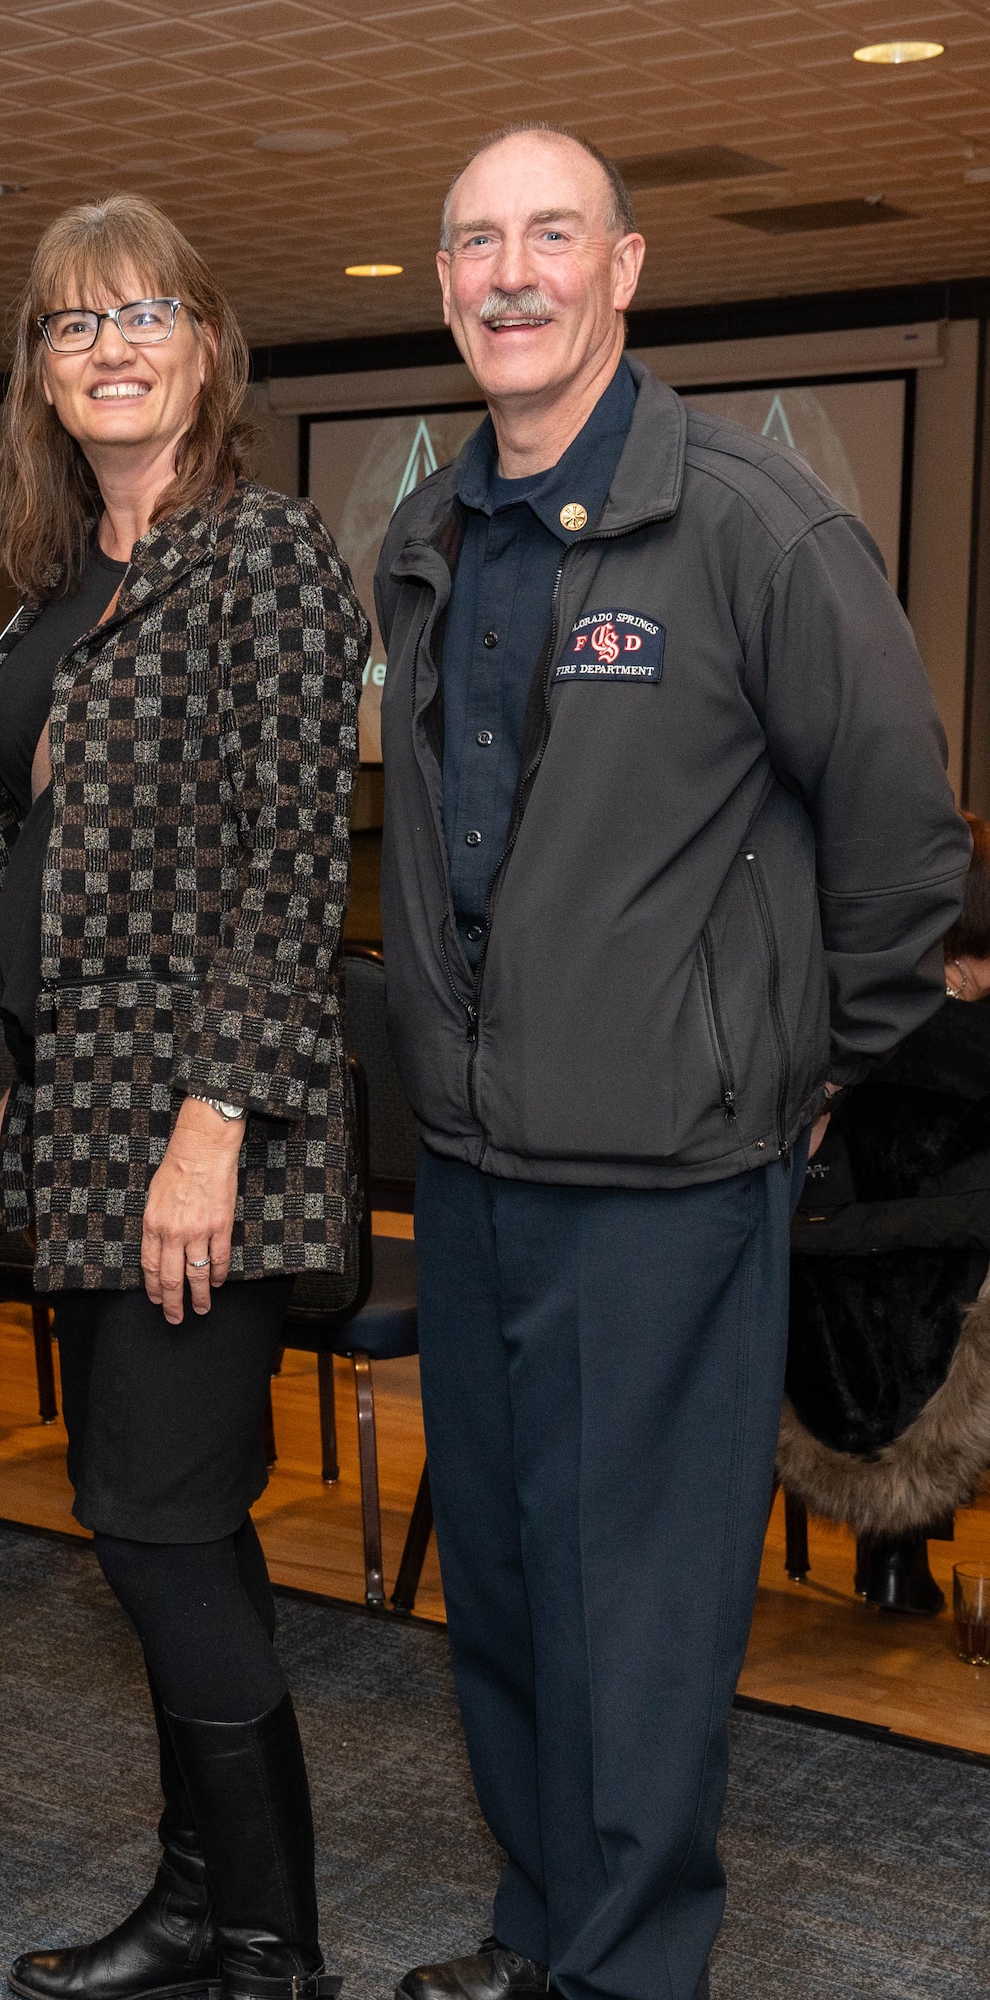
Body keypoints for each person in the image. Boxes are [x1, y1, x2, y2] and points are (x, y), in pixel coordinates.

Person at [373, 124, 969, 2000]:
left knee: (639, 1618)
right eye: (477, 242)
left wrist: (790, 1072)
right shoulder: (427, 531)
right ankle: (546, 1924)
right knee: (512, 1590)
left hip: (669, 1187)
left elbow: (905, 844)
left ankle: (631, 1972)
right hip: (467, 1170)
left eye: (554, 236)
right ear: (445, 280)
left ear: (625, 270)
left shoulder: (752, 525)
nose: (512, 273)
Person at [0, 197, 367, 2000]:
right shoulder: (64, 590)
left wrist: (210, 1131)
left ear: (208, 342)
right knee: (161, 1528)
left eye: (142, 314)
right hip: (89, 1121)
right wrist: (33, 1086)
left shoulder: (263, 557)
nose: (110, 347)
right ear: (41, 378)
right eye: (72, 325)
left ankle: (269, 1947)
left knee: (154, 1521)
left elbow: (291, 879)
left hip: (211, 1136)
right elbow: (46, 856)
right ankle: (204, 1907)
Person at [782, 808, 990, 1614]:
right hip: (938, 1392)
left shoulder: (825, 1021)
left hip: (798, 1363)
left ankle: (894, 1562)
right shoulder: (973, 1052)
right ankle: (898, 1564)